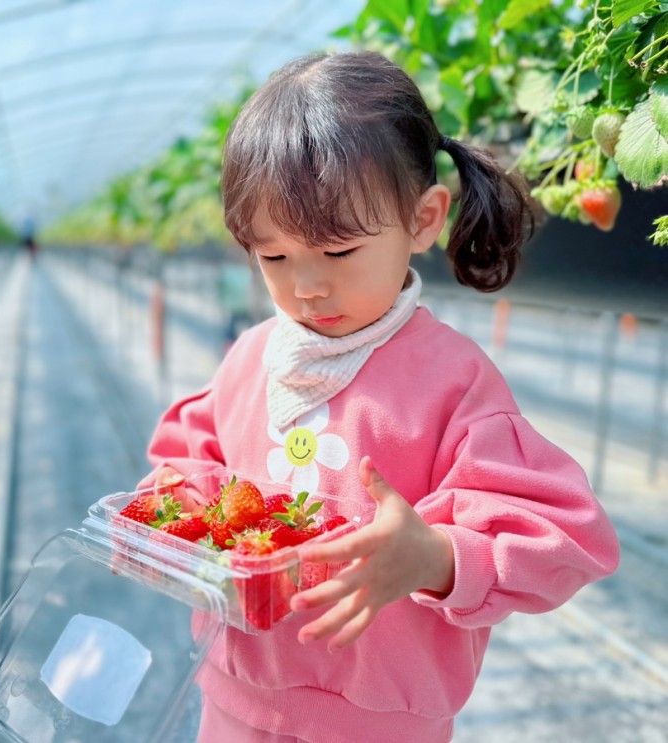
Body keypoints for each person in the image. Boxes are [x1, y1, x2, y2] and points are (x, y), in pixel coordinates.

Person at [138, 51, 620, 742]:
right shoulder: (250, 357)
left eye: (337, 253)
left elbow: (567, 536)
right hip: (234, 698)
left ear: (422, 220)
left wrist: (434, 556)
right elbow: (186, 457)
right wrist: (178, 508)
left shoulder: (451, 382)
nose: (306, 286)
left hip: (378, 723)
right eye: (273, 257)